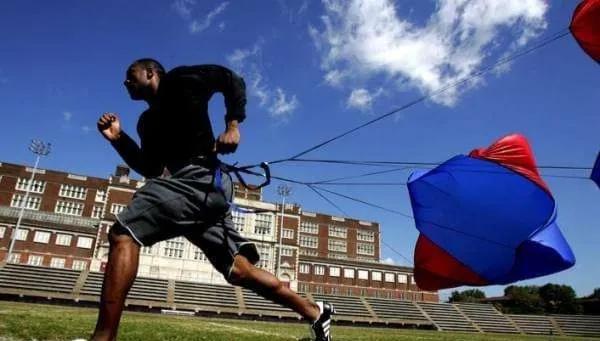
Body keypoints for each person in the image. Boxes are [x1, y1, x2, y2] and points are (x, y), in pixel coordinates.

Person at [93, 58, 334, 341]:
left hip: (202, 179)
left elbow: (231, 80)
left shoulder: (181, 80)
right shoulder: (146, 123)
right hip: (192, 191)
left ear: (150, 73)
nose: (125, 82)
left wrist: (233, 126)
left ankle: (103, 338)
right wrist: (119, 138)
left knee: (124, 232)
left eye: (130, 75)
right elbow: (151, 168)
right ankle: (316, 312)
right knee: (240, 271)